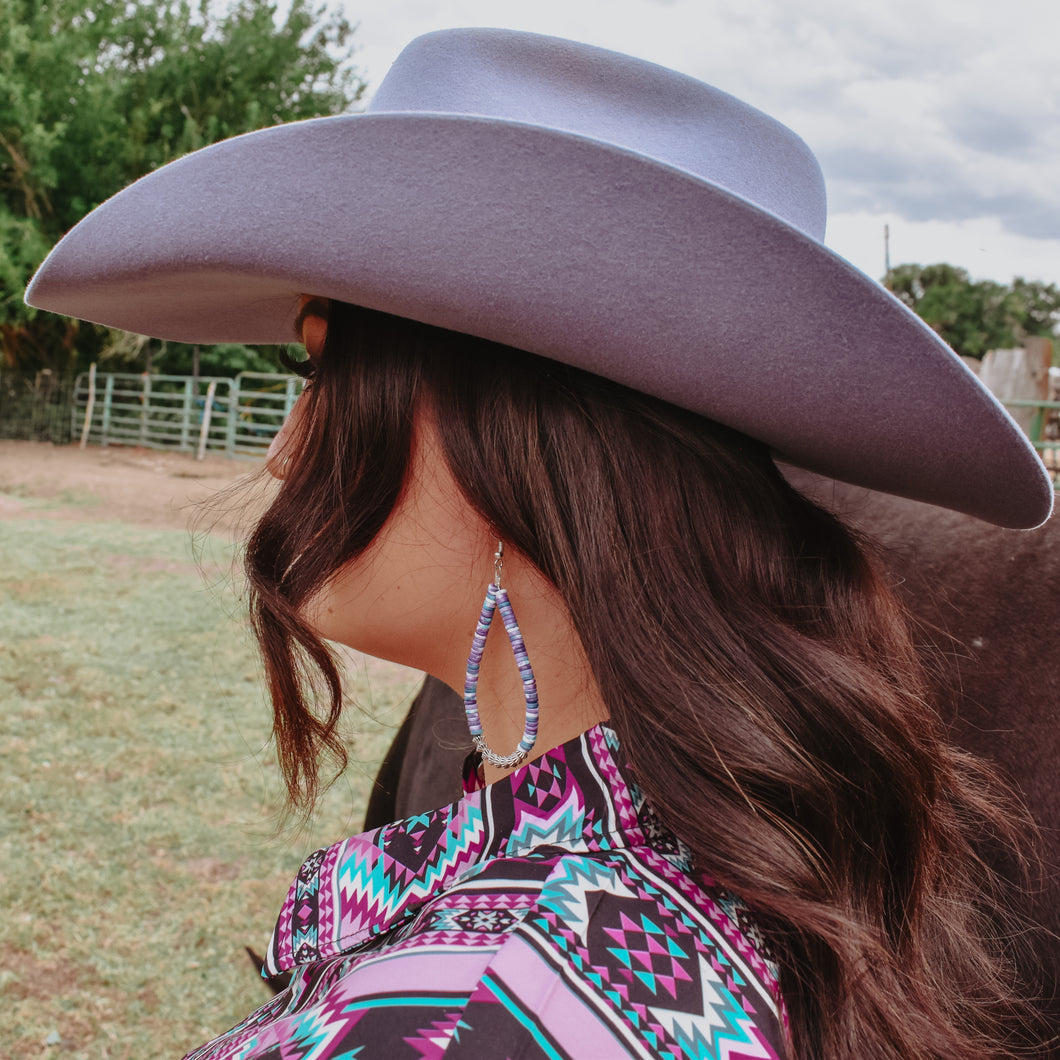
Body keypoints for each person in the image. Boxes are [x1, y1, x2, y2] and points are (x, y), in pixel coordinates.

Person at [26, 28, 1055, 1060]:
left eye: (320, 375)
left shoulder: (463, 1016)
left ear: (516, 447)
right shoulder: (706, 869)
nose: (289, 451)